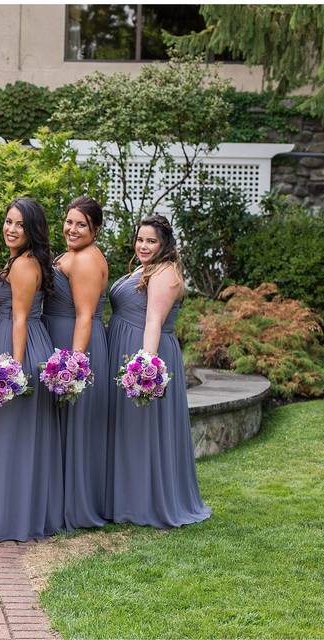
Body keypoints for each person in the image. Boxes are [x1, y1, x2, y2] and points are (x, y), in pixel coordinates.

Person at [106, 214, 211, 528]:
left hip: (145, 351)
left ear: (165, 244)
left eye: (151, 241)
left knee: (144, 429)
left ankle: (145, 503)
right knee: (129, 430)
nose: (144, 245)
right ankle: (126, 498)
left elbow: (153, 321)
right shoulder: (144, 268)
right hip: (124, 347)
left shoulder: (165, 273)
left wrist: (145, 367)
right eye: (140, 239)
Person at [0, 198, 64, 541]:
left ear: (32, 230)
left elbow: (20, 318)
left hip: (20, 345)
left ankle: (12, 518)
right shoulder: (21, 259)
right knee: (14, 435)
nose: (10, 229)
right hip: (20, 339)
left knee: (14, 435)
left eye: (19, 224)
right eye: (7, 221)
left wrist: (13, 368)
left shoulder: (23, 265)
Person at [42, 195, 110, 529]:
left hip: (76, 342)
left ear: (95, 229)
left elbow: (84, 315)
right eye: (69, 221)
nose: (72, 228)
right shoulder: (74, 254)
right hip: (64, 338)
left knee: (76, 422)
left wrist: (74, 365)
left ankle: (75, 503)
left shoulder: (85, 260)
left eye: (81, 224)